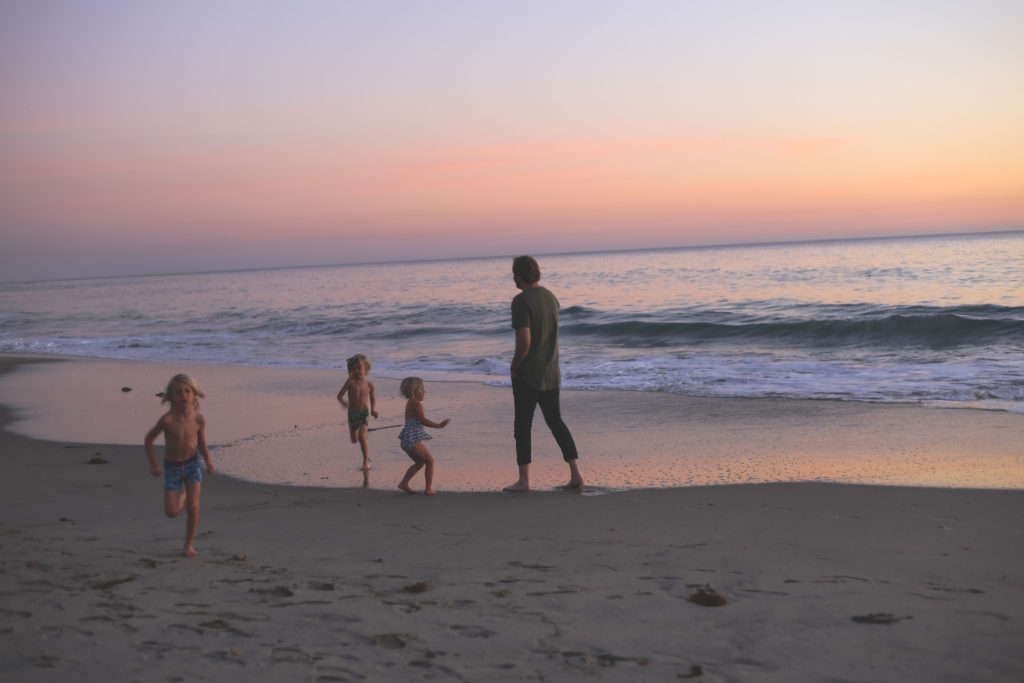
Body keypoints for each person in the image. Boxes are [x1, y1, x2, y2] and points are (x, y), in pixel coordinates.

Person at [504, 255, 584, 492]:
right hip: (551, 371)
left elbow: (525, 342)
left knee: (522, 426)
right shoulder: (551, 297)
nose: (513, 278)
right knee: (556, 421)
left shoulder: (521, 301)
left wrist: (515, 366)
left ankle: (524, 481)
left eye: (514, 273)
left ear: (519, 275)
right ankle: (576, 473)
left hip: (529, 374)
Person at [144, 374, 215, 557]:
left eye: (187, 391)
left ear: (194, 395)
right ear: (171, 397)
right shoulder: (167, 420)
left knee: (194, 507)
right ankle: (184, 495)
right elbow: (149, 440)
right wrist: (154, 464)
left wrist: (208, 462)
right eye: (178, 392)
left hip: (192, 465)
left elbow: (202, 444)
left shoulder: (199, 419)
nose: (183, 395)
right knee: (172, 512)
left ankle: (188, 545)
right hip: (172, 468)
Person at [397, 377, 450, 495]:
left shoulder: (410, 402)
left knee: (420, 463)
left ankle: (403, 483)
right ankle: (428, 489)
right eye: (421, 389)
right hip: (412, 439)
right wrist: (439, 425)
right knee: (430, 461)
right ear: (413, 391)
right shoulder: (416, 403)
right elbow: (423, 420)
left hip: (406, 438)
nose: (424, 392)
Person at [337, 353, 378, 471]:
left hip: (363, 413)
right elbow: (339, 395)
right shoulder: (350, 382)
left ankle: (365, 461)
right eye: (353, 369)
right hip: (352, 414)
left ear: (366, 369)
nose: (356, 371)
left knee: (362, 437)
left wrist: (373, 410)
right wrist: (344, 402)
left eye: (359, 368)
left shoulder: (369, 384)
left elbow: (373, 399)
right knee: (355, 440)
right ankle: (361, 433)